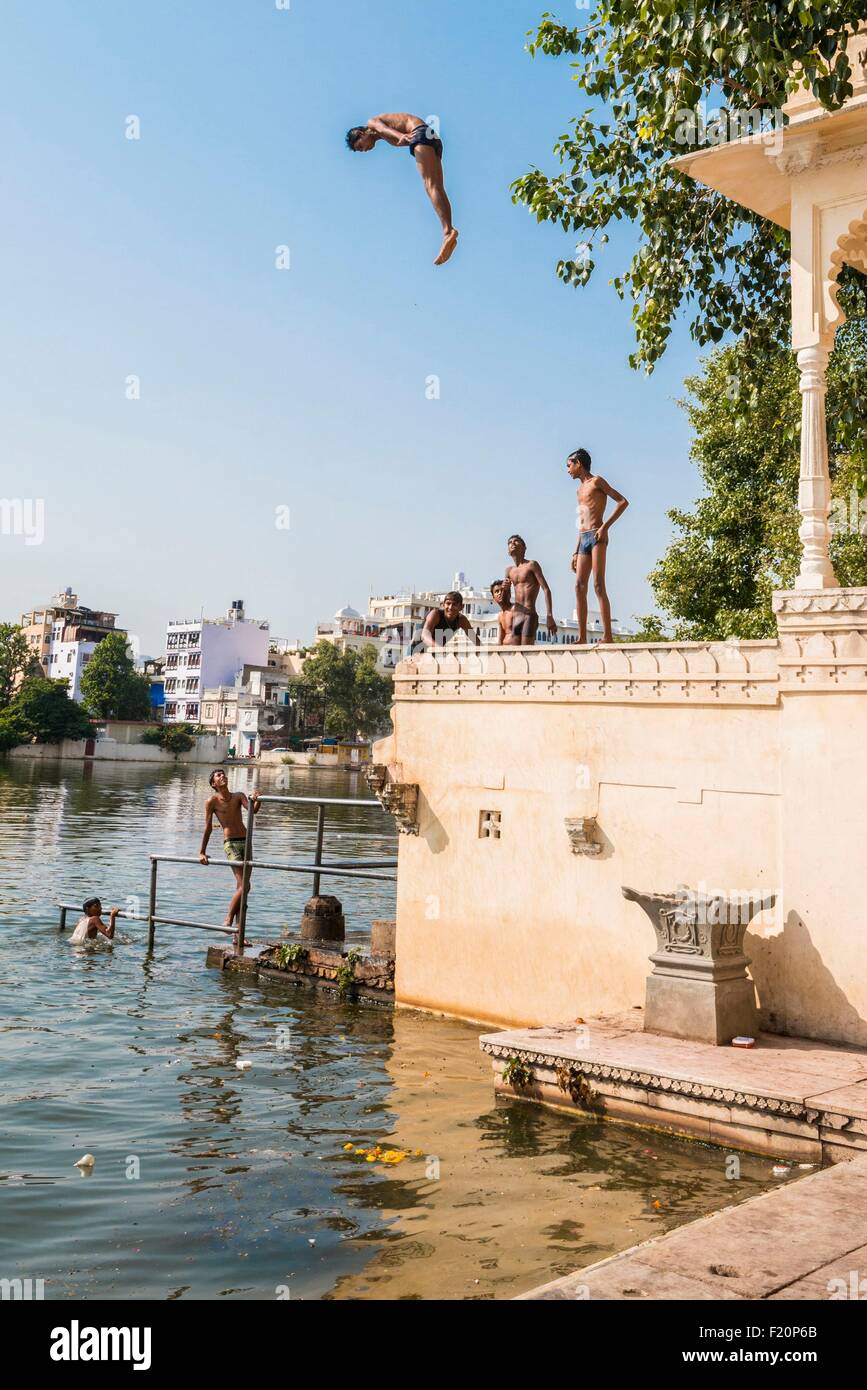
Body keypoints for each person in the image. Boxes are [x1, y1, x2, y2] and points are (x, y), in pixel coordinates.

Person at [345, 112, 459, 266]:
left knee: (430, 185)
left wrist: (399, 136)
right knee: (436, 186)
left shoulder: (372, 123)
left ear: (361, 133)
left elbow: (383, 129)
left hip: (420, 134)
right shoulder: (381, 135)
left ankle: (447, 232)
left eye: (360, 146)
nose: (364, 150)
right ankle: (449, 231)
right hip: (429, 136)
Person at [566, 447, 629, 645]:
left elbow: (622, 502)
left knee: (598, 585)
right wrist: (575, 551)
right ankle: (582, 636)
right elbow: (582, 519)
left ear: (579, 464)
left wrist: (605, 527)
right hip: (583, 537)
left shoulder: (597, 481)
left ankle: (607, 636)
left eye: (569, 466)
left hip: (597, 535)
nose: (568, 470)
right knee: (578, 586)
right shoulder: (579, 490)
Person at [199, 769, 261, 938]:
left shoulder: (238, 796)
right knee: (245, 886)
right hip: (231, 844)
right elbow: (208, 828)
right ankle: (227, 919)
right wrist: (202, 852)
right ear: (214, 783)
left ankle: (238, 936)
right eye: (218, 775)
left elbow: (252, 811)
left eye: (223, 774)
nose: (222, 776)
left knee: (242, 890)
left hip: (246, 842)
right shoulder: (211, 801)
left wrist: (257, 799)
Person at [503, 536, 558, 645]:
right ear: (508, 551)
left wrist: (550, 616)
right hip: (516, 616)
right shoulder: (509, 571)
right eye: (510, 542)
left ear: (524, 548)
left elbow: (546, 589)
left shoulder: (531, 565)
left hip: (529, 614)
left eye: (516, 541)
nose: (513, 543)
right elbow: (506, 601)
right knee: (515, 655)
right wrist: (505, 589)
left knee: (526, 653)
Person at [490, 579, 515, 645]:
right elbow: (501, 639)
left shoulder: (515, 609)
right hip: (504, 651)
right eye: (496, 591)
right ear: (493, 597)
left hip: (515, 651)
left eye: (502, 590)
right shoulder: (500, 615)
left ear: (508, 593)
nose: (499, 593)